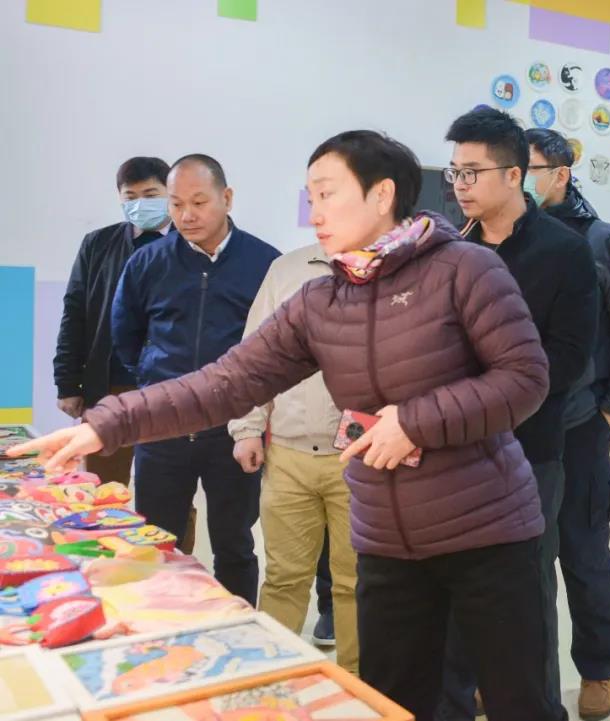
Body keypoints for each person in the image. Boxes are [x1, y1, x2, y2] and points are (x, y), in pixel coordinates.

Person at [11, 130, 564, 721]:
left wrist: (415, 422)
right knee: (396, 700)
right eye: (310, 196)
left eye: (327, 194)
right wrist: (108, 423)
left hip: (485, 530)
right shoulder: (320, 299)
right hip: (386, 538)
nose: (314, 212)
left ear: (381, 195)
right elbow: (225, 382)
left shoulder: (465, 268)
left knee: (518, 701)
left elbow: (525, 378)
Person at [438, 108, 596, 721]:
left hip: (530, 448)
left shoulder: (565, 251)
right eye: (455, 172)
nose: (461, 185)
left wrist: (489, 400)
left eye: (473, 172)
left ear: (514, 175)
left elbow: (569, 357)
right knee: (452, 589)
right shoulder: (450, 250)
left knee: (526, 591)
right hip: (453, 450)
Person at [524, 128, 610, 720]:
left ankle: (599, 669)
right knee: (517, 558)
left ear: (561, 174)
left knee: (583, 551)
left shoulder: (604, 242)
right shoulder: (495, 238)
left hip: (579, 426)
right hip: (513, 429)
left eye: (531, 168)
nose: (520, 178)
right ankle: (513, 672)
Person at [110, 154, 280, 604]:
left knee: (234, 545)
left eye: (199, 202)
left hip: (233, 430)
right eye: (176, 203)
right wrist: (157, 385)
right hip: (161, 429)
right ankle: (160, 627)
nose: (186, 215)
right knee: (155, 543)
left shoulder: (265, 263)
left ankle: (238, 629)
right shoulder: (148, 262)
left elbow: (277, 347)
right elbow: (125, 335)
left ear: (227, 198)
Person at [228, 244, 358, 671]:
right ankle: (273, 677)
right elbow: (255, 359)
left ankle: (357, 685)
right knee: (284, 578)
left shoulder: (392, 268)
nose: (321, 214)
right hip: (287, 455)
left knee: (355, 582)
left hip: (357, 458)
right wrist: (248, 428)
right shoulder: (285, 270)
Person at [54, 157, 172, 485]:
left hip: (170, 388)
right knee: (102, 485)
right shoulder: (98, 245)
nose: (140, 204)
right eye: (130, 197)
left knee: (168, 490)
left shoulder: (189, 245)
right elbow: (74, 314)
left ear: (170, 193)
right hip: (109, 386)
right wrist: (67, 384)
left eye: (150, 195)